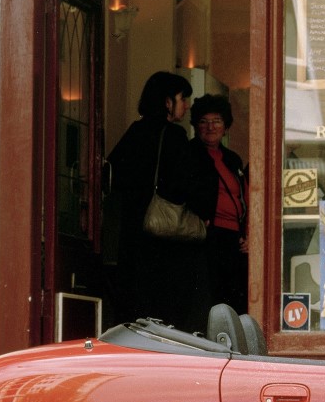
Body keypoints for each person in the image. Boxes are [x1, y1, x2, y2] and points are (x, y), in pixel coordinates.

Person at [105, 71, 205, 330]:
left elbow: (114, 175)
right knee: (165, 312)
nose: (187, 105)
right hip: (164, 238)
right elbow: (186, 183)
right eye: (183, 99)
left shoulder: (134, 132)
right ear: (167, 102)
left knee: (135, 311)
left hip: (132, 235)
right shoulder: (174, 136)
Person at [188, 94, 249, 314]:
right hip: (206, 237)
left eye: (217, 121)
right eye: (204, 121)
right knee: (209, 299)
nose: (210, 127)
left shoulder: (232, 159)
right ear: (195, 125)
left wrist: (247, 234)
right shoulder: (188, 154)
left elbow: (245, 198)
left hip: (234, 240)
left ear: (226, 126)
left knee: (234, 298)